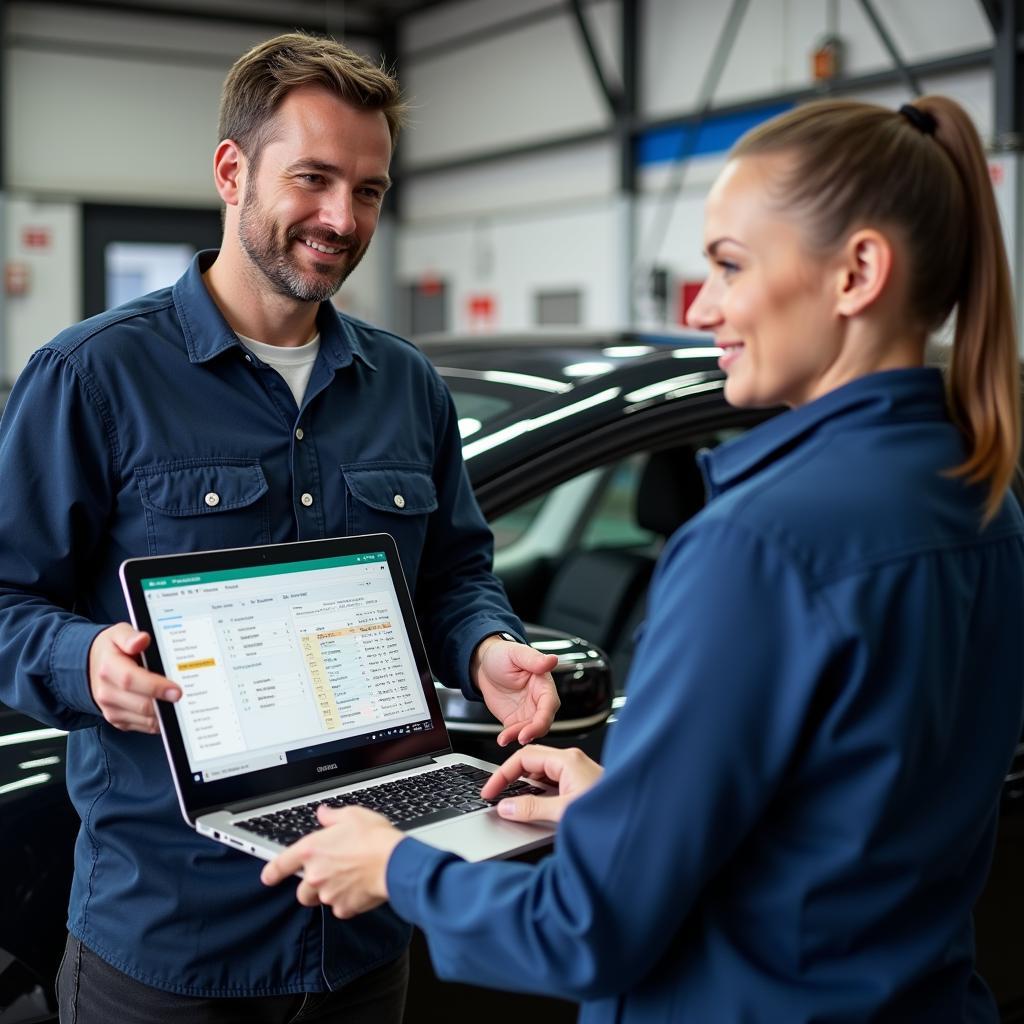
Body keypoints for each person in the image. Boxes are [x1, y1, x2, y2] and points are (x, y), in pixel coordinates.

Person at [262, 95, 1024, 1023]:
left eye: (729, 266)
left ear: (858, 272)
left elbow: (588, 928)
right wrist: (625, 809)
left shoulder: (758, 545)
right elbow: (839, 825)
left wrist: (395, 865)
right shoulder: (979, 500)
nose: (701, 309)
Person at [0, 32, 560, 1024]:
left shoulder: (407, 388)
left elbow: (455, 571)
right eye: (312, 179)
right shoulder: (92, 377)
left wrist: (486, 642)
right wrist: (83, 659)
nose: (342, 219)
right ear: (231, 171)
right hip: (170, 942)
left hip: (364, 928)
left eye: (371, 190)